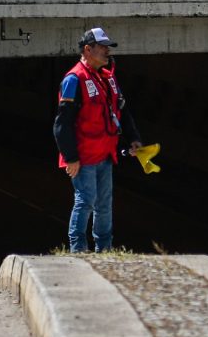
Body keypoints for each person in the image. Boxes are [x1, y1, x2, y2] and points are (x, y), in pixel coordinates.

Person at [53, 27, 142, 253]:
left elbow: (122, 111)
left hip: (105, 154)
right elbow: (62, 124)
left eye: (108, 47)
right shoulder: (74, 79)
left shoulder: (108, 78)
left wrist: (133, 138)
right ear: (87, 49)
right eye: (102, 47)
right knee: (86, 202)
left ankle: (104, 249)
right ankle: (78, 251)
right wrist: (71, 158)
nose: (107, 51)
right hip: (83, 157)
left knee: (104, 205)